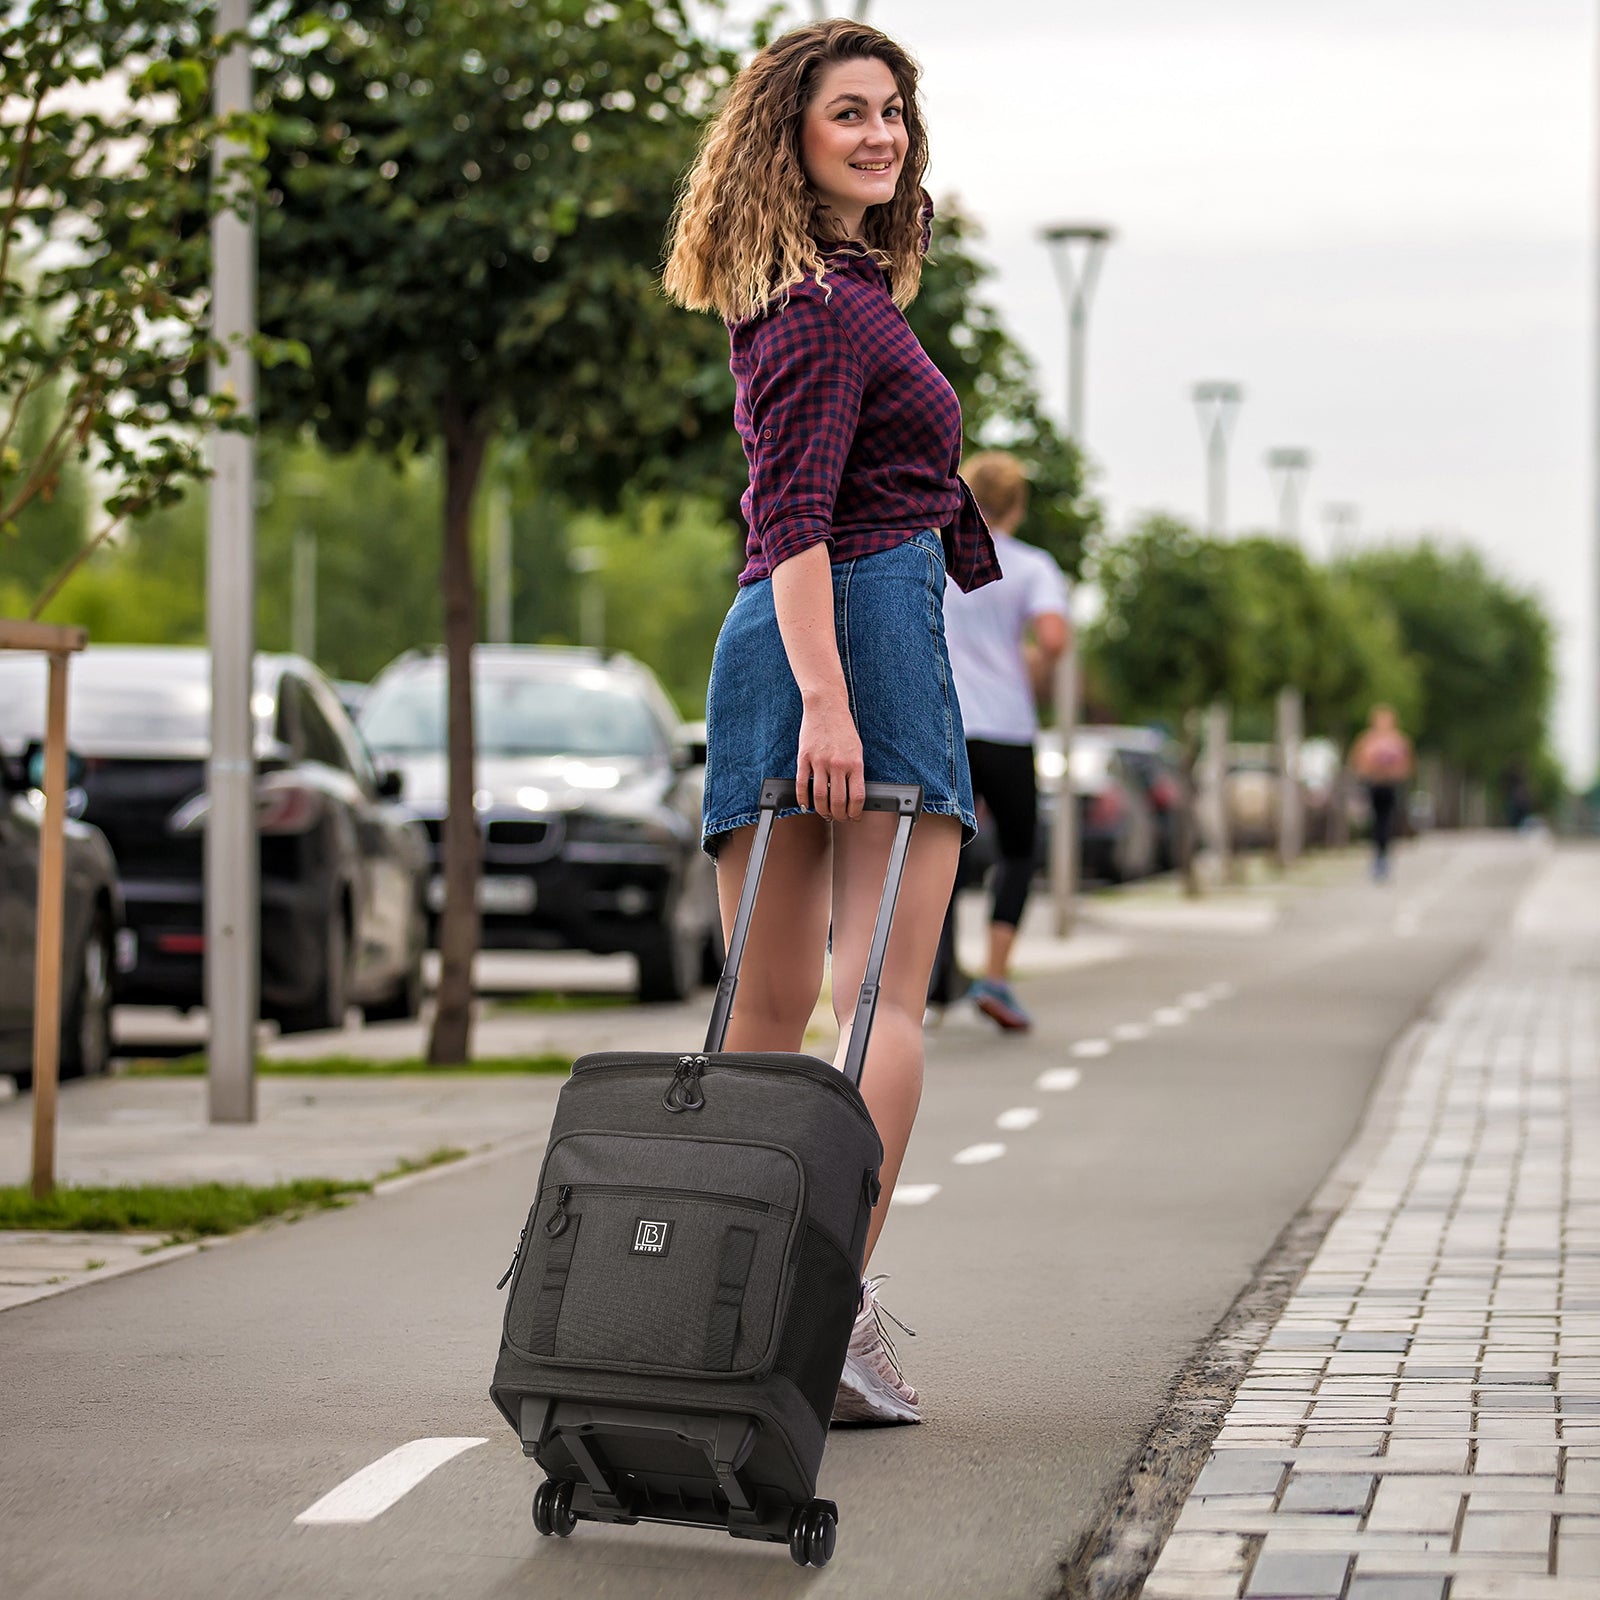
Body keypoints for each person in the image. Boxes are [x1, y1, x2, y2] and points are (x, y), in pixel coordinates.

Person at [663, 20, 999, 1424]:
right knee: (879, 993)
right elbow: (793, 515)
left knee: (769, 1004)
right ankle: (821, 1318)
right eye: (848, 114)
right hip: (842, 633)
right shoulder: (821, 304)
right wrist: (830, 701)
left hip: (804, 633)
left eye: (892, 114)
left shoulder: (819, 291)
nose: (880, 135)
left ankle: (727, 1307)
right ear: (788, 140)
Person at [931, 452, 1069, 1031]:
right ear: (1016, 505)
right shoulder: (1034, 566)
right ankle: (995, 975)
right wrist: (1030, 668)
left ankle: (931, 983)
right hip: (1008, 727)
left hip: (943, 720)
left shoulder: (936, 555)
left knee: (938, 850)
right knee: (1017, 849)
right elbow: (1055, 637)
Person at [1350, 705, 1413, 880]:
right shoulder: (1367, 740)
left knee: (1387, 821)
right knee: (1375, 822)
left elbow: (1407, 764)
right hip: (1373, 786)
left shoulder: (1399, 740)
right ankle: (1377, 856)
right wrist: (1371, 772)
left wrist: (1394, 773)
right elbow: (1358, 762)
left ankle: (1384, 856)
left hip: (1391, 787)